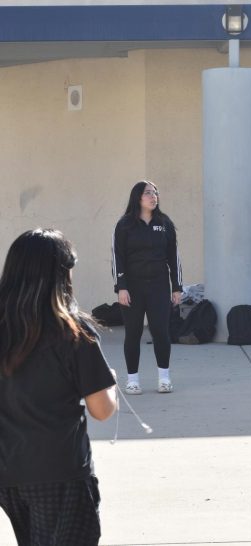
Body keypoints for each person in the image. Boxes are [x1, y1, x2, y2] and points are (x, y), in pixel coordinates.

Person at [0, 229, 117, 545]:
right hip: (61, 470)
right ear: (61, 274)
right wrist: (112, 383)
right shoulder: (73, 331)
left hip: (9, 473)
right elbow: (102, 409)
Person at [112, 180, 183, 395]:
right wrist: (121, 287)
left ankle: (164, 378)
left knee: (161, 332)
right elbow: (118, 258)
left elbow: (174, 257)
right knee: (132, 333)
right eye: (148, 193)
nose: (153, 197)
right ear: (138, 197)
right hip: (132, 288)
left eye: (155, 193)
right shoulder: (124, 224)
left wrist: (176, 287)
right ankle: (132, 380)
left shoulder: (164, 223)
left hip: (159, 287)